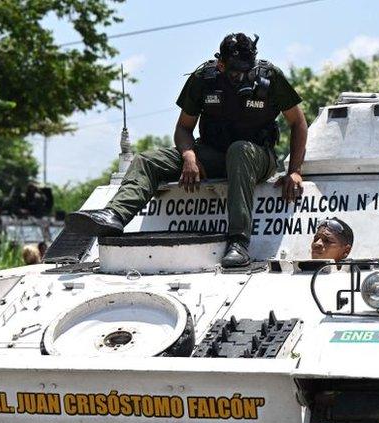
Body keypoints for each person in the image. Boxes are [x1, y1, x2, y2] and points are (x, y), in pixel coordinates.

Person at [68, 32, 309, 268]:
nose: (241, 77)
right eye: (235, 71)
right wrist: (189, 156)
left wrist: (295, 170)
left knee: (239, 150)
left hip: (257, 156)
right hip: (212, 153)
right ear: (221, 64)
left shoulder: (269, 77)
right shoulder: (204, 79)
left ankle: (238, 243)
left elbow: (298, 123)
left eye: (246, 70)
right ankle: (115, 216)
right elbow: (184, 128)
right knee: (147, 160)